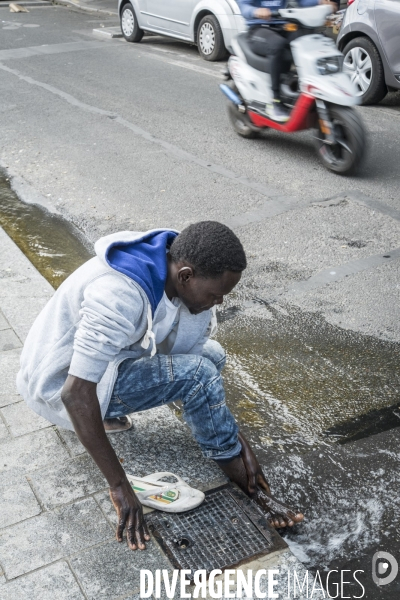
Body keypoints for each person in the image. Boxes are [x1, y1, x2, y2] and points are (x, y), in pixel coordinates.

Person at [17, 221, 303, 551]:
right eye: (215, 294)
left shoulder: (177, 267)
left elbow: (196, 357)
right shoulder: (119, 294)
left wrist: (238, 441)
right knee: (199, 374)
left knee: (213, 356)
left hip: (110, 360)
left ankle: (225, 456)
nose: (220, 302)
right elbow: (74, 392)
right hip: (56, 383)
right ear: (185, 276)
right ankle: (253, 492)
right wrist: (120, 487)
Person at [238, 0, 337, 122]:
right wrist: (256, 11)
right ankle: (275, 102)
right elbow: (243, 6)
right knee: (278, 45)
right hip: (258, 28)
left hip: (283, 26)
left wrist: (320, 2)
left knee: (308, 40)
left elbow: (303, 2)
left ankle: (305, 90)